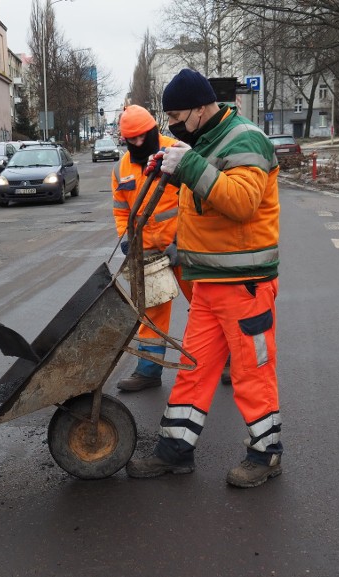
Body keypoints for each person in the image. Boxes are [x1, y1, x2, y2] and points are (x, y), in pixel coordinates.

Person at [126, 69, 283, 488]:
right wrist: (177, 171)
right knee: (195, 369)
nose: (173, 124)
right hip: (210, 283)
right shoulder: (207, 140)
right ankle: (174, 451)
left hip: (244, 284)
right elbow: (207, 199)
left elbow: (243, 202)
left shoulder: (244, 138)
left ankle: (266, 453)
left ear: (200, 108)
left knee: (252, 372)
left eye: (177, 115)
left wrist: (191, 165)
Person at [111, 104, 193, 391]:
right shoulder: (122, 168)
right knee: (152, 311)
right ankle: (148, 371)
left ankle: (228, 360)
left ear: (152, 131)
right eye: (129, 140)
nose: (136, 144)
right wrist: (126, 238)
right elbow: (122, 209)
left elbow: (196, 201)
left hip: (184, 246)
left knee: (206, 305)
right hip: (148, 251)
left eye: (141, 138)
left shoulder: (177, 153)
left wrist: (181, 241)